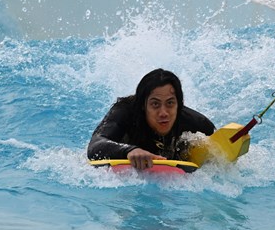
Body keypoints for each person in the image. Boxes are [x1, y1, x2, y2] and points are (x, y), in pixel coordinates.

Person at [87, 68, 215, 169]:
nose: (164, 113)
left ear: (179, 104)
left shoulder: (196, 123)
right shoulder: (124, 112)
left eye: (170, 103)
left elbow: (222, 146)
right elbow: (95, 145)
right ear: (143, 105)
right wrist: (129, 151)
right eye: (155, 104)